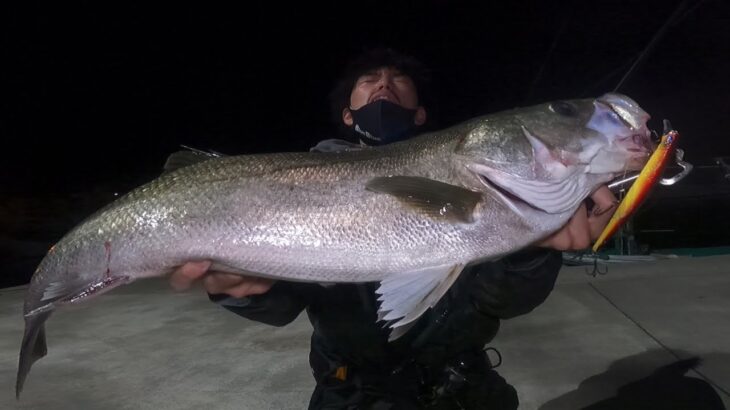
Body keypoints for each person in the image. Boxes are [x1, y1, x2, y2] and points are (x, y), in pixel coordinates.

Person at [170, 47, 618, 409]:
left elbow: (500, 300)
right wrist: (238, 289)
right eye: (369, 81)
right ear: (348, 115)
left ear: (420, 115)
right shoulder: (300, 182)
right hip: (349, 395)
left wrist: (531, 252)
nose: (384, 84)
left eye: (397, 80)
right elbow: (283, 305)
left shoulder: (472, 171)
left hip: (460, 391)